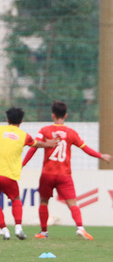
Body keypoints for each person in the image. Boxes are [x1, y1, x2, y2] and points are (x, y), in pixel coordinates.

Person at [23, 101, 111, 240]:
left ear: (53, 115)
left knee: (44, 201)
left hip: (47, 173)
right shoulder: (71, 133)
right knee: (72, 203)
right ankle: (80, 228)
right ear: (66, 115)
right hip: (64, 175)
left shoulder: (45, 130)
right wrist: (102, 156)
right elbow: (86, 149)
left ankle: (44, 232)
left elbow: (33, 148)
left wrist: (22, 164)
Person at [0, 107, 57, 240]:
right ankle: (18, 227)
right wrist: (49, 143)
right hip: (8, 176)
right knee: (16, 199)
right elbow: (37, 144)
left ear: (7, 119)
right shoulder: (24, 136)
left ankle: (4, 230)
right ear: (22, 121)